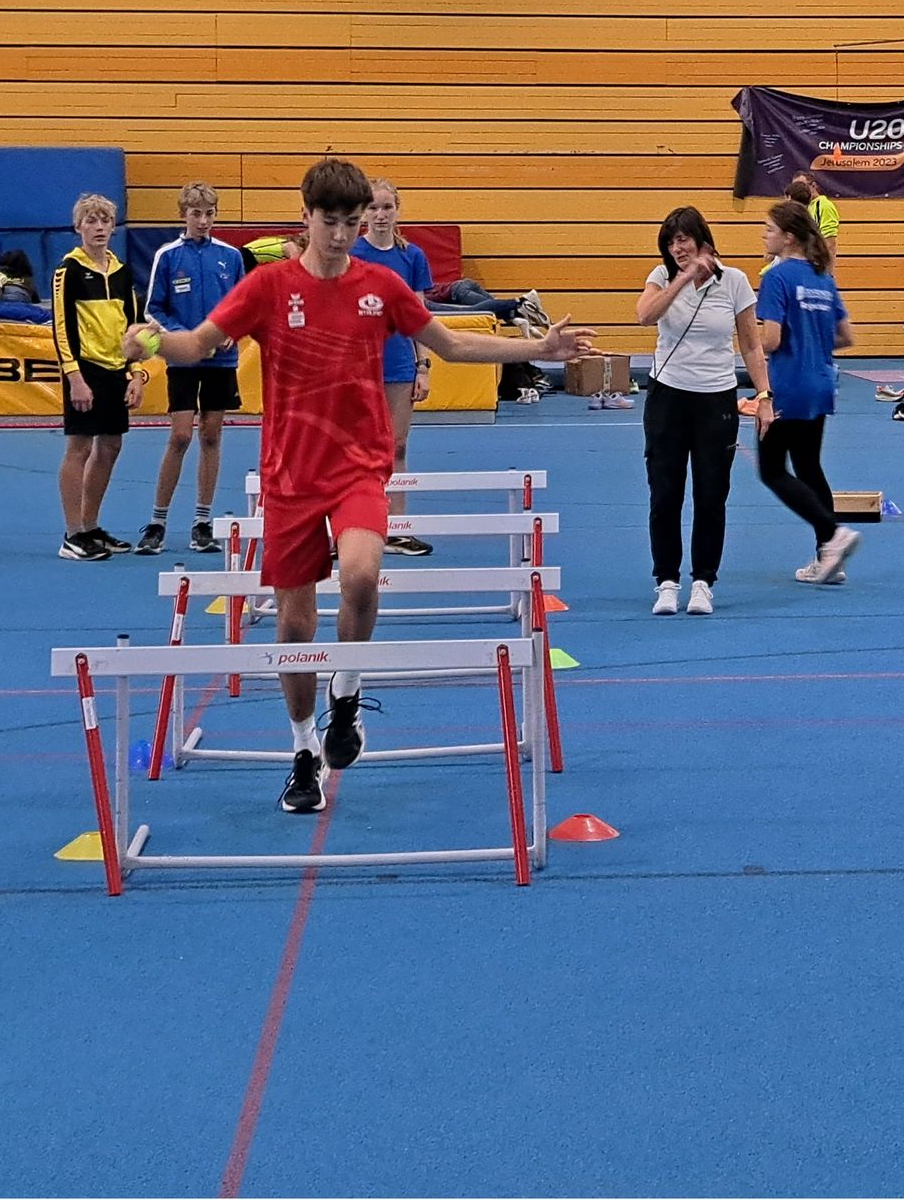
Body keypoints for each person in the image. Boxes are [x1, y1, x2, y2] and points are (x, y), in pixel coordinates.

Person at [123, 156, 595, 816]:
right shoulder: (268, 287)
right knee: (293, 625)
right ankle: (302, 749)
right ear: (306, 216)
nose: (342, 234)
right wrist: (149, 342)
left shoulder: (381, 285)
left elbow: (452, 345)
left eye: (351, 221)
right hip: (290, 474)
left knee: (362, 577)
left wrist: (538, 350)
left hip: (358, 465)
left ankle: (345, 691)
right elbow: (198, 344)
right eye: (331, 222)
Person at [637, 205, 773, 616]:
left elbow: (751, 344)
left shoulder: (734, 281)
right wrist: (682, 278)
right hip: (667, 397)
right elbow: (644, 316)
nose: (677, 248)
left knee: (711, 495)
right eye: (670, 243)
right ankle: (666, 581)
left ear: (702, 240)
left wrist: (764, 397)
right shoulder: (661, 278)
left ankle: (702, 582)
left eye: (683, 240)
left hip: (716, 399)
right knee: (665, 494)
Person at [756, 198, 860, 586]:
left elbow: (770, 339)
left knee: (771, 470)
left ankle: (831, 533)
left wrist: (746, 342)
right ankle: (829, 561)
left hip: (787, 385)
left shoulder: (776, 278)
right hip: (820, 382)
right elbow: (846, 337)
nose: (764, 236)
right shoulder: (822, 277)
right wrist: (813, 341)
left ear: (787, 237)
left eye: (769, 230)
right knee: (808, 466)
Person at [138, 181, 244, 556]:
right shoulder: (167, 256)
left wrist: (232, 330)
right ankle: (157, 522)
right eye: (196, 214)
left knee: (211, 435)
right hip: (183, 359)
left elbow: (243, 305)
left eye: (209, 214)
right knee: (180, 435)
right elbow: (153, 309)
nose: (203, 221)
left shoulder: (230, 256)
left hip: (222, 360)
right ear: (183, 215)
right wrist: (185, 339)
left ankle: (202, 522)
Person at [52, 193, 147, 562]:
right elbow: (61, 328)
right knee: (79, 448)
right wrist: (75, 377)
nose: (99, 228)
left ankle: (91, 526)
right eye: (91, 221)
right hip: (85, 370)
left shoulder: (122, 273)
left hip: (116, 370)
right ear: (78, 227)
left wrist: (136, 374)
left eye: (105, 221)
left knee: (110, 447)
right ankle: (72, 533)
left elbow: (134, 328)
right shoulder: (68, 270)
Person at [351, 178, 436, 555]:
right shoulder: (352, 254)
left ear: (398, 211)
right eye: (373, 208)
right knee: (355, 447)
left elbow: (420, 316)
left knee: (396, 446)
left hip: (400, 361)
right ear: (363, 213)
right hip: (357, 364)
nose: (381, 215)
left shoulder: (412, 257)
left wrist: (423, 365)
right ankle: (352, 527)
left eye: (387, 207)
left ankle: (397, 527)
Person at [786, 174, 841, 268]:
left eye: (802, 186)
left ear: (813, 185)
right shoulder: (801, 207)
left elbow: (829, 243)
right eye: (795, 187)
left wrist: (825, 269)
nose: (798, 190)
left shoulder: (824, 206)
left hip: (815, 265)